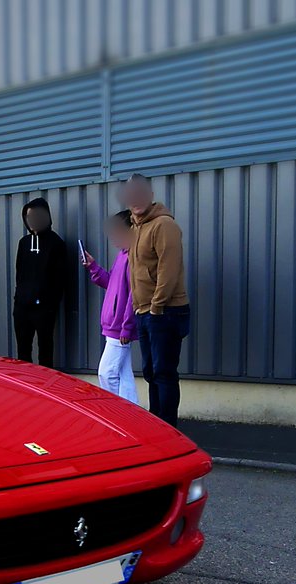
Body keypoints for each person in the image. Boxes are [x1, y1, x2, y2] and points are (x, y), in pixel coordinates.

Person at [121, 173, 190, 426]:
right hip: (145, 312)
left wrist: (157, 307)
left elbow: (168, 270)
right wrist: (141, 309)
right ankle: (158, 425)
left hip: (165, 311)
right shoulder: (137, 227)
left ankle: (169, 428)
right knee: (151, 372)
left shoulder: (164, 225)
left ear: (150, 196)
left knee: (164, 373)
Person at [81, 210, 138, 404]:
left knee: (106, 373)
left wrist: (127, 327)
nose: (113, 236)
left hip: (119, 327)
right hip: (115, 325)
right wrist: (93, 267)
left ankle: (117, 411)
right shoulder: (122, 255)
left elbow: (134, 295)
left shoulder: (134, 258)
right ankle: (133, 415)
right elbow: (112, 283)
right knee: (123, 374)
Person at [12, 197, 68, 366]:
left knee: (45, 348)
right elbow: (19, 272)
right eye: (29, 217)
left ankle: (44, 386)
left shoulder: (56, 243)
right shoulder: (24, 243)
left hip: (44, 308)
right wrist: (20, 297)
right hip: (22, 306)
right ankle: (25, 383)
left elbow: (60, 279)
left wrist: (49, 304)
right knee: (23, 349)